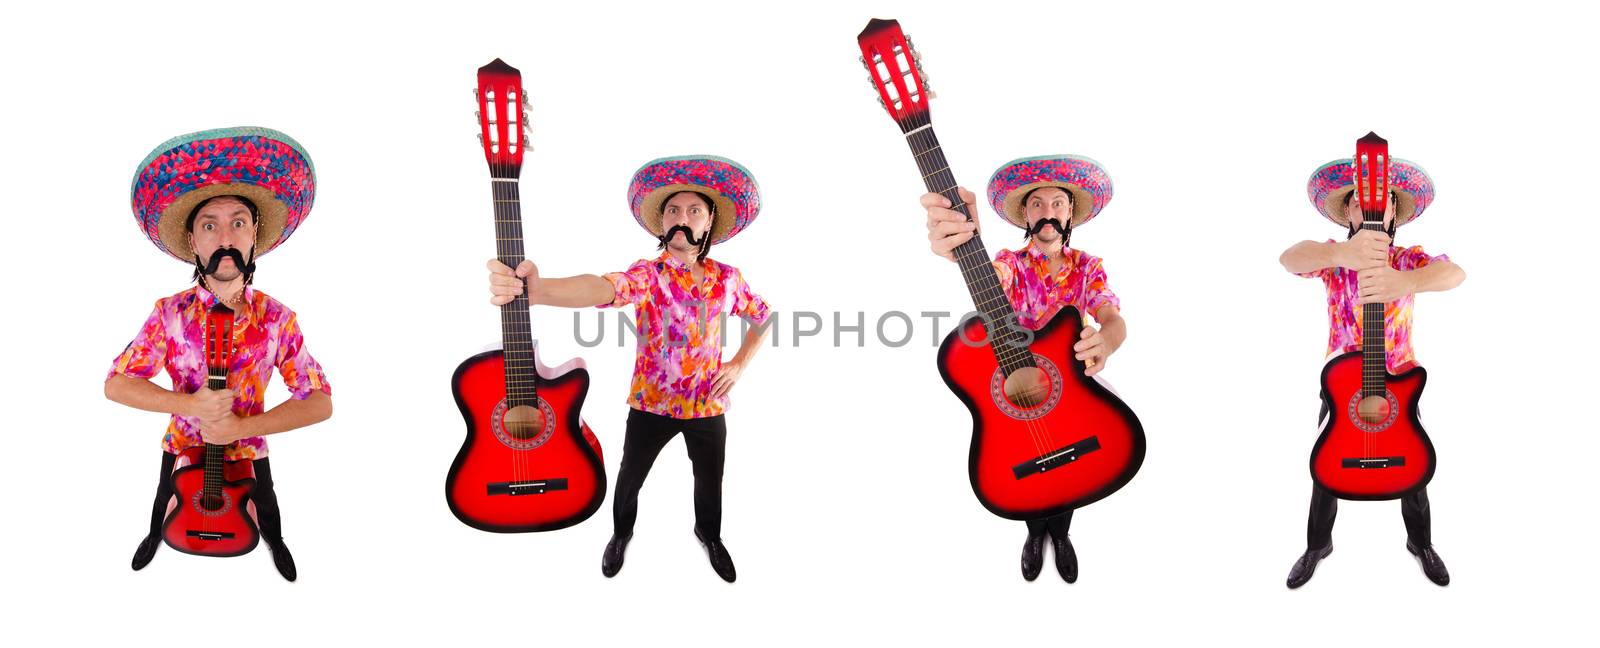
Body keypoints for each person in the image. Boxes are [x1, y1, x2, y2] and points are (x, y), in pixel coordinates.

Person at [488, 155, 771, 582]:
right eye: (673, 210)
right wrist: (540, 290)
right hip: (650, 404)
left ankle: (709, 536)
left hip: (707, 407)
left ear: (709, 221)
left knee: (710, 482)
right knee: (629, 478)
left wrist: (738, 364)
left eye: (694, 210)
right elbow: (606, 286)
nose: (682, 218)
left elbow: (763, 316)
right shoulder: (649, 275)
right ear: (662, 222)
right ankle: (621, 534)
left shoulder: (729, 278)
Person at [108, 127, 333, 582]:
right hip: (183, 448)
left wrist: (244, 426)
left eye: (238, 223)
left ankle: (275, 542)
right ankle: (155, 536)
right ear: (193, 241)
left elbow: (320, 401)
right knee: (161, 503)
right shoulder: (168, 314)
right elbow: (116, 384)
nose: (225, 238)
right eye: (209, 225)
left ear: (255, 237)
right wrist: (186, 405)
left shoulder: (278, 319)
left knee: (268, 509)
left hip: (250, 449)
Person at [921, 155, 1128, 582]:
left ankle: (1062, 534)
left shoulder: (1089, 267)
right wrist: (964, 253)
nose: (1047, 213)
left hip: (1069, 383)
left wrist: (1105, 340)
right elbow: (990, 279)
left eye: (1057, 203)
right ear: (1025, 215)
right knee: (1022, 456)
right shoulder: (1010, 262)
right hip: (1016, 385)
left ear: (1071, 213)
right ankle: (1036, 534)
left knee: (1075, 460)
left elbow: (1112, 317)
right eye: (1037, 204)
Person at [1278, 155, 1465, 588]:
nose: (1373, 210)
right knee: (1326, 465)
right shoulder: (1332, 260)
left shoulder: (1408, 259)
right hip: (1340, 387)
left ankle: (1421, 542)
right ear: (1348, 211)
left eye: (1383, 203)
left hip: (1399, 384)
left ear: (1395, 211)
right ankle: (1317, 545)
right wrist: (1342, 253)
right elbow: (1289, 259)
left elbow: (1455, 273)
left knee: (1413, 466)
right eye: (1362, 202)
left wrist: (1408, 282)